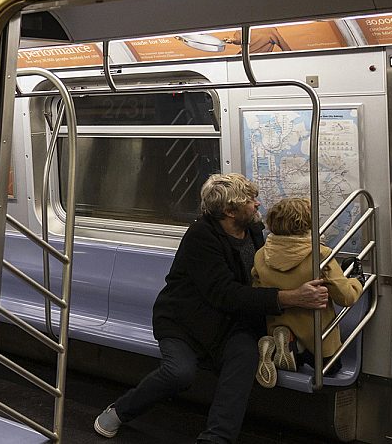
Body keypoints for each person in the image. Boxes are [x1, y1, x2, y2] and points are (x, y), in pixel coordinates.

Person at [94, 173, 329, 443]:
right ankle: (120, 411)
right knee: (179, 373)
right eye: (250, 201)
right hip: (184, 323)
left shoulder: (252, 230)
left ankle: (216, 439)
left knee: (244, 358)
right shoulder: (200, 238)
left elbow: (263, 272)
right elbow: (225, 294)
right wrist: (291, 297)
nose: (257, 205)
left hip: (230, 324)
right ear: (229, 211)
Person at [252, 197, 363, 388]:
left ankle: (280, 345)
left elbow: (257, 292)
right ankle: (299, 348)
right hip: (316, 337)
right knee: (333, 366)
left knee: (287, 340)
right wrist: (357, 282)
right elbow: (346, 297)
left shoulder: (261, 255)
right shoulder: (319, 255)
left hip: (276, 322)